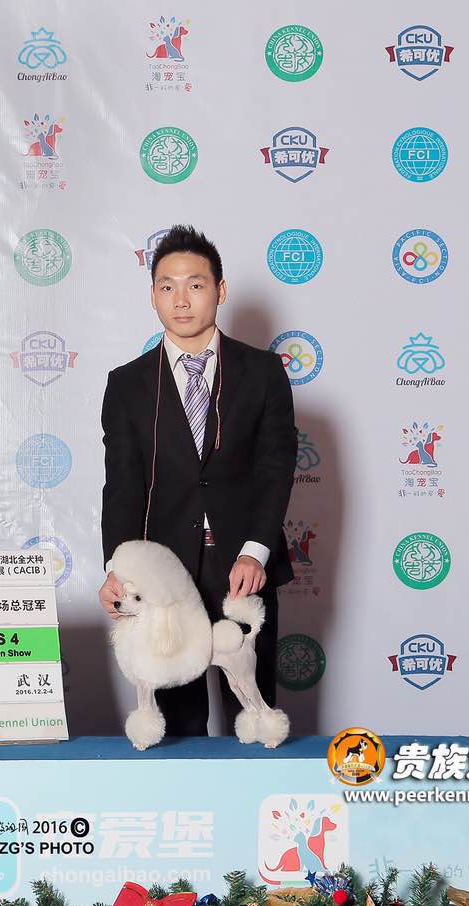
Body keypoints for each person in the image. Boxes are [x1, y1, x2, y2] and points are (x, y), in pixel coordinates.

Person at [99, 225, 297, 736]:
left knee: (253, 708)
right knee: (177, 722)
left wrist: (255, 552)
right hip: (164, 576)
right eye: (167, 286)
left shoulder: (263, 372)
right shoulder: (127, 384)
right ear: (153, 295)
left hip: (244, 567)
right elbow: (121, 487)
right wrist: (118, 569)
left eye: (195, 284)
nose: (181, 300)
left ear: (220, 290)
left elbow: (275, 468)